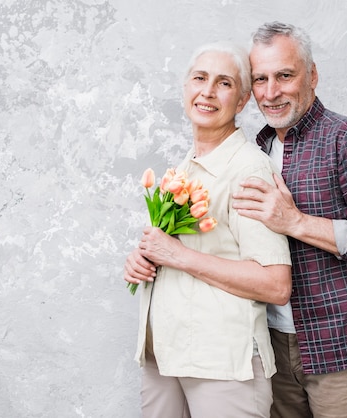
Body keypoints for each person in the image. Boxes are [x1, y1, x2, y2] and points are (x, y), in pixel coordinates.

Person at [231, 22, 347, 418]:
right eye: (260, 79)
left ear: (312, 74)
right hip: (272, 348)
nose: (271, 92)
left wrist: (295, 222)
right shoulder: (255, 149)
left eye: (285, 75)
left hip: (341, 350)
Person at [123, 41, 292, 418]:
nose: (208, 91)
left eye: (224, 83)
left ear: (244, 99)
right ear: (186, 87)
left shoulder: (249, 171)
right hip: (164, 355)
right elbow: (180, 251)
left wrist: (178, 255)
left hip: (221, 363)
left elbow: (275, 283)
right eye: (200, 78)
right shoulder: (184, 169)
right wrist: (145, 260)